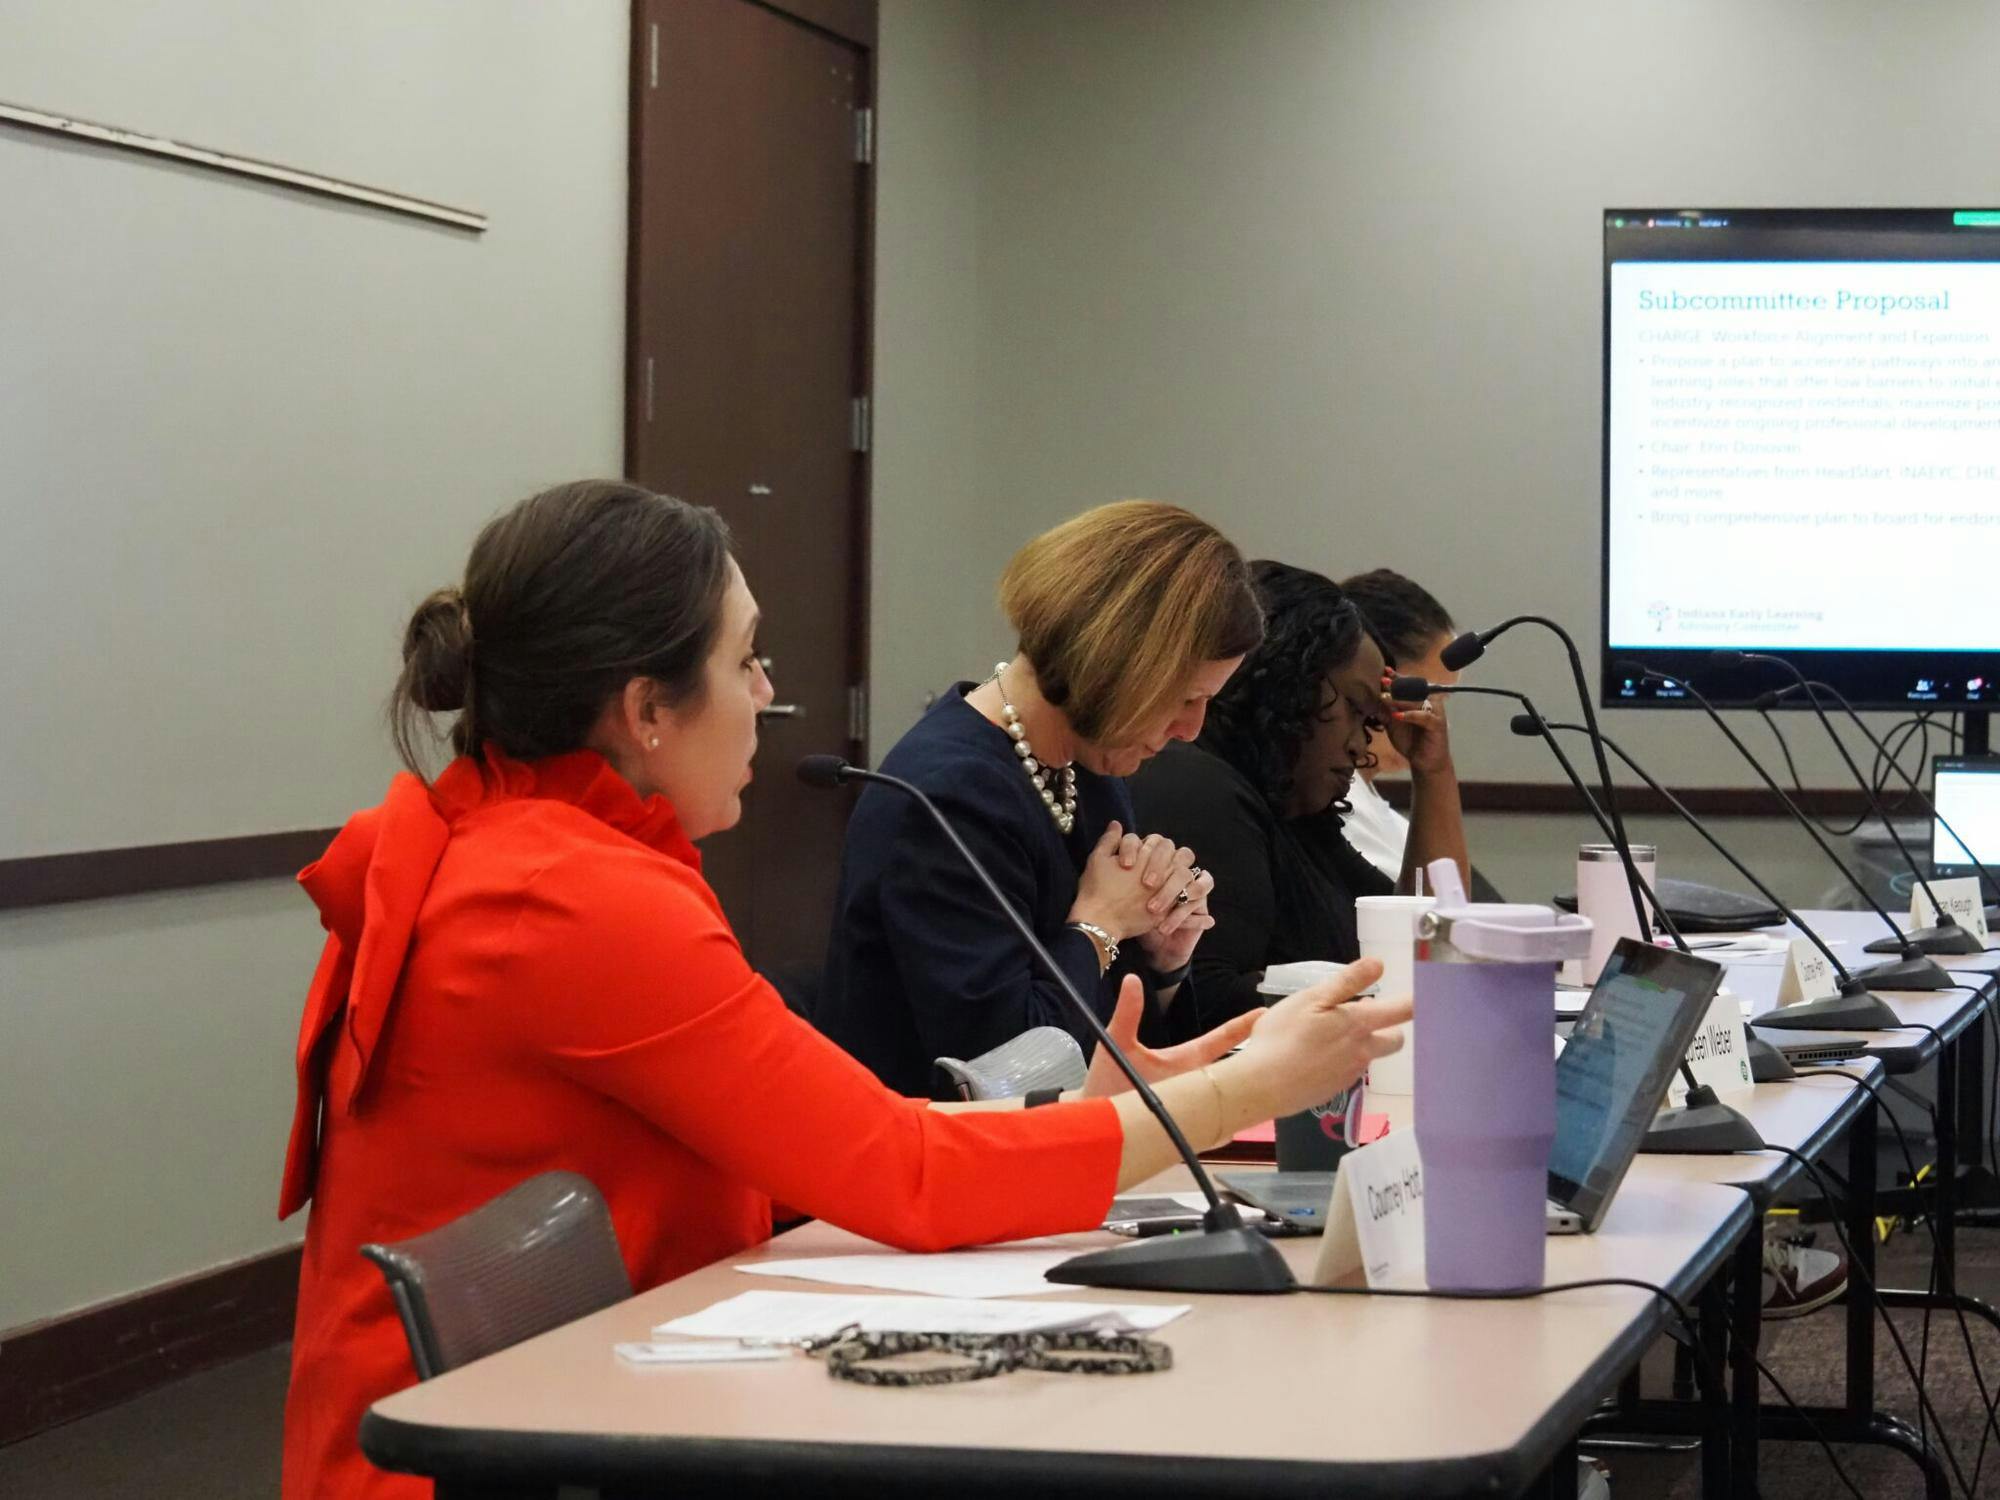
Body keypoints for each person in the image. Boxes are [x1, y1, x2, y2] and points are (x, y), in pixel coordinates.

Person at [276, 481, 1411, 1500]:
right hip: (483, 1457)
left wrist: (1137, 1104)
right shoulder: (573, 900)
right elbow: (901, 1171)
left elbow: (849, 1132)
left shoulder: (526, 850)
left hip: (546, 1415)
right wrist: (1236, 1093)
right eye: (745, 661)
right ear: (645, 711)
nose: (770, 694)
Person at [814, 501, 1266, 1097]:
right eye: (1185, 697)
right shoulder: (948, 796)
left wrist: (1163, 962)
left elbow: (1114, 1049)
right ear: (1114, 666)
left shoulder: (1086, 768)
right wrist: (1102, 927)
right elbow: (1001, 1067)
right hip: (933, 1160)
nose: (1193, 729)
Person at [1129, 561, 1469, 1028]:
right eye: (1354, 709)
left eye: (1370, 721)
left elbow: (1428, 937)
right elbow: (1206, 1007)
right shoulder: (1200, 790)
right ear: (1289, 680)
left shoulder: (1296, 812)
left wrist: (1433, 771)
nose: (1361, 743)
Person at [1334, 568, 1460, 881]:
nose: (1436, 718)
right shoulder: (1338, 798)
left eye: (1443, 703)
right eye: (1429, 698)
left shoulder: (1381, 809)